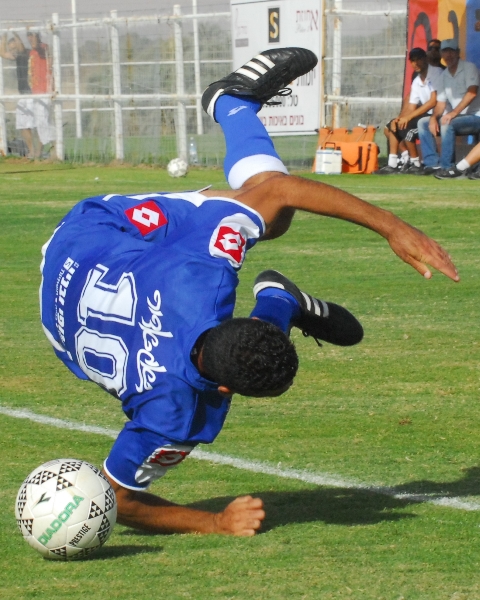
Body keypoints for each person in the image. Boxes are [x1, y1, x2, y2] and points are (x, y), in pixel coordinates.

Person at [40, 47, 459, 537]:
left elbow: (280, 190)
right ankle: (277, 291)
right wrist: (215, 523)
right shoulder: (172, 413)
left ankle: (232, 106)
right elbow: (120, 498)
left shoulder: (207, 272)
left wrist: (393, 227)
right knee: (270, 210)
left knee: (269, 208)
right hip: (63, 308)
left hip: (88, 240)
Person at [374, 48, 443, 175]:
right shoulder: (417, 81)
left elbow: (433, 102)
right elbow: (411, 106)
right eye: (412, 61)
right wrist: (400, 119)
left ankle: (415, 163)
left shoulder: (436, 72)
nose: (415, 64)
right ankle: (392, 164)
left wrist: (408, 117)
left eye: (418, 60)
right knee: (394, 125)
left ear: (425, 59)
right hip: (426, 115)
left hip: (439, 113)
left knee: (408, 131)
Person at [417, 38, 480, 177]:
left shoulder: (469, 68)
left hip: (476, 116)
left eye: (451, 51)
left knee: (447, 122)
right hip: (459, 117)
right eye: (445, 51)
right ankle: (433, 164)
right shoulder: (444, 75)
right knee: (423, 123)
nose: (448, 55)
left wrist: (453, 113)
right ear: (441, 54)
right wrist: (433, 117)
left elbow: (472, 93)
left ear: (458, 53)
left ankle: (447, 168)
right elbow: (440, 103)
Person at [0, 33, 35, 158]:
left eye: (14, 48)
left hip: (33, 94)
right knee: (22, 124)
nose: (12, 51)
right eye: (11, 49)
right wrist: (4, 37)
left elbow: (20, 47)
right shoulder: (17, 56)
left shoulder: (26, 53)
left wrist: (15, 32)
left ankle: (39, 151)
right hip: (23, 94)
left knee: (34, 124)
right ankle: (32, 151)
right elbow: (3, 53)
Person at [26, 31, 55, 159]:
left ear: (37, 36)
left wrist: (35, 39)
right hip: (36, 91)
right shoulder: (31, 52)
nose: (30, 38)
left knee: (43, 121)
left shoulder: (43, 47)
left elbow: (37, 47)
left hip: (45, 91)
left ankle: (55, 148)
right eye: (28, 35)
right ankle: (42, 151)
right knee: (41, 122)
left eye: (32, 35)